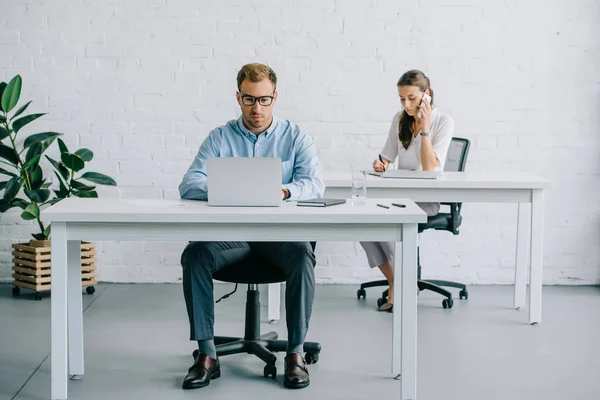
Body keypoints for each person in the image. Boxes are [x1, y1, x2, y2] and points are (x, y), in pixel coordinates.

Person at [178, 63, 324, 390]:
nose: (256, 108)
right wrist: (223, 189)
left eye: (264, 100)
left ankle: (295, 354)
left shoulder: (296, 137)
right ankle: (206, 355)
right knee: (195, 255)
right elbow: (189, 183)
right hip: (233, 239)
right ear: (238, 97)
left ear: (275, 98)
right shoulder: (220, 137)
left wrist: (285, 191)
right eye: (248, 99)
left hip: (278, 238)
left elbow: (315, 185)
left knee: (302, 255)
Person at [361, 69, 454, 312]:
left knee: (386, 218)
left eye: (412, 98)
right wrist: (381, 163)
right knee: (362, 219)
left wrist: (424, 129)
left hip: (427, 200)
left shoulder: (443, 122)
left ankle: (401, 282)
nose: (406, 104)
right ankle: (398, 280)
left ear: (427, 95)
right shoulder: (399, 119)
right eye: (402, 98)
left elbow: (430, 169)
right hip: (399, 196)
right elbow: (387, 155)